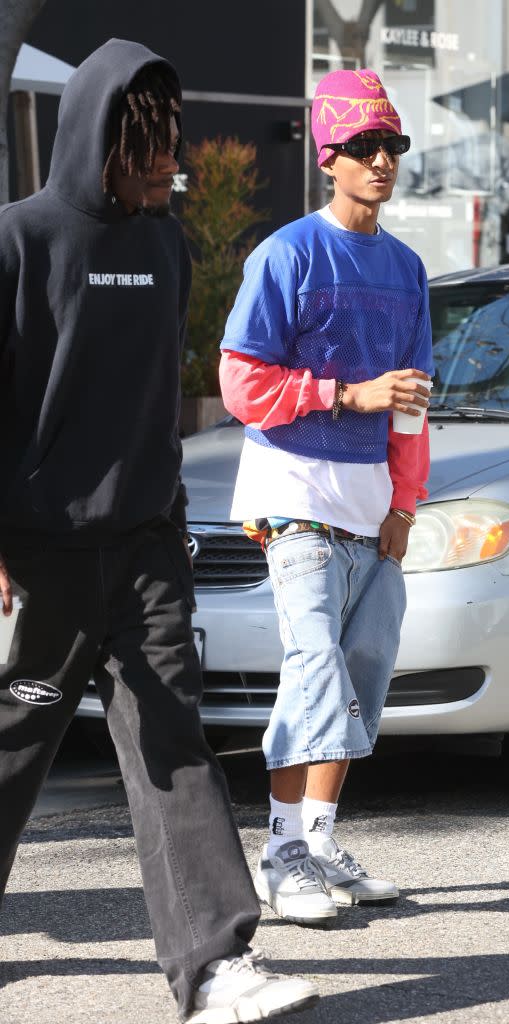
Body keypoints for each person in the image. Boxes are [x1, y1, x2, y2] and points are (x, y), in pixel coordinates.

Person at [0, 38, 318, 1023]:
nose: (163, 164)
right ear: (99, 141)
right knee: (12, 747)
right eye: (144, 145)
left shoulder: (166, 248)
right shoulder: (21, 241)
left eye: (169, 144)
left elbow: (150, 415)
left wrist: (172, 532)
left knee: (171, 743)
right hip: (41, 555)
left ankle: (214, 966)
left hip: (144, 550)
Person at [219, 67, 433, 927]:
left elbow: (415, 399)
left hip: (371, 503)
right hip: (294, 494)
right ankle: (280, 855)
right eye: (365, 148)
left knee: (358, 676)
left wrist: (406, 506)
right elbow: (240, 383)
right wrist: (347, 395)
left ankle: (319, 838)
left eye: (394, 147)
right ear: (329, 158)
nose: (382, 162)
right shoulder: (287, 254)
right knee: (313, 667)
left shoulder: (409, 267)